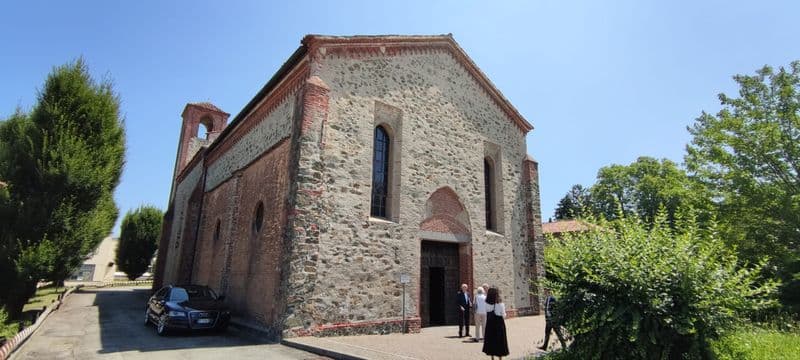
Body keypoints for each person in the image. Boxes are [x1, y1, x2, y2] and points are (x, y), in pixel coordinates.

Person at [482, 287, 509, 359]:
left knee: (491, 339)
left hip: (490, 323)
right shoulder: (500, 304)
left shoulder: (486, 303)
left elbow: (485, 312)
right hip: (499, 323)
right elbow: (503, 315)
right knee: (500, 340)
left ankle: (492, 357)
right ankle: (500, 357)